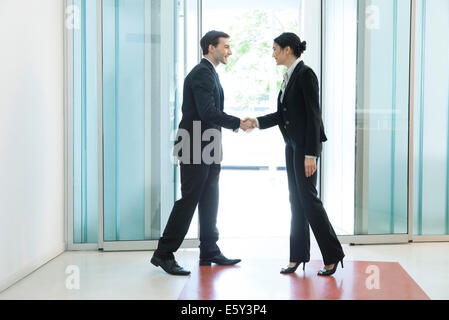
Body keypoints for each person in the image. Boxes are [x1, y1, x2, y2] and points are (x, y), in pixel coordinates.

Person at [151, 31, 253, 276]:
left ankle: (209, 249)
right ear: (211, 47)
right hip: (195, 142)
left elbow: (210, 113)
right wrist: (238, 122)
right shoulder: (201, 74)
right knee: (189, 200)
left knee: (210, 198)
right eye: (226, 46)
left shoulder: (210, 73)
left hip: (207, 142)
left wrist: (231, 125)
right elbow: (207, 112)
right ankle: (163, 253)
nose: (229, 51)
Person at [244, 33, 345, 276]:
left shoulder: (306, 74)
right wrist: (256, 121)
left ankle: (333, 254)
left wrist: (312, 153)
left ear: (288, 49)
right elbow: (283, 115)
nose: (273, 54)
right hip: (291, 146)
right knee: (296, 201)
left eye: (275, 49)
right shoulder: (288, 77)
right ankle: (297, 256)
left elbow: (313, 116)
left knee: (309, 201)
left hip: (304, 149)